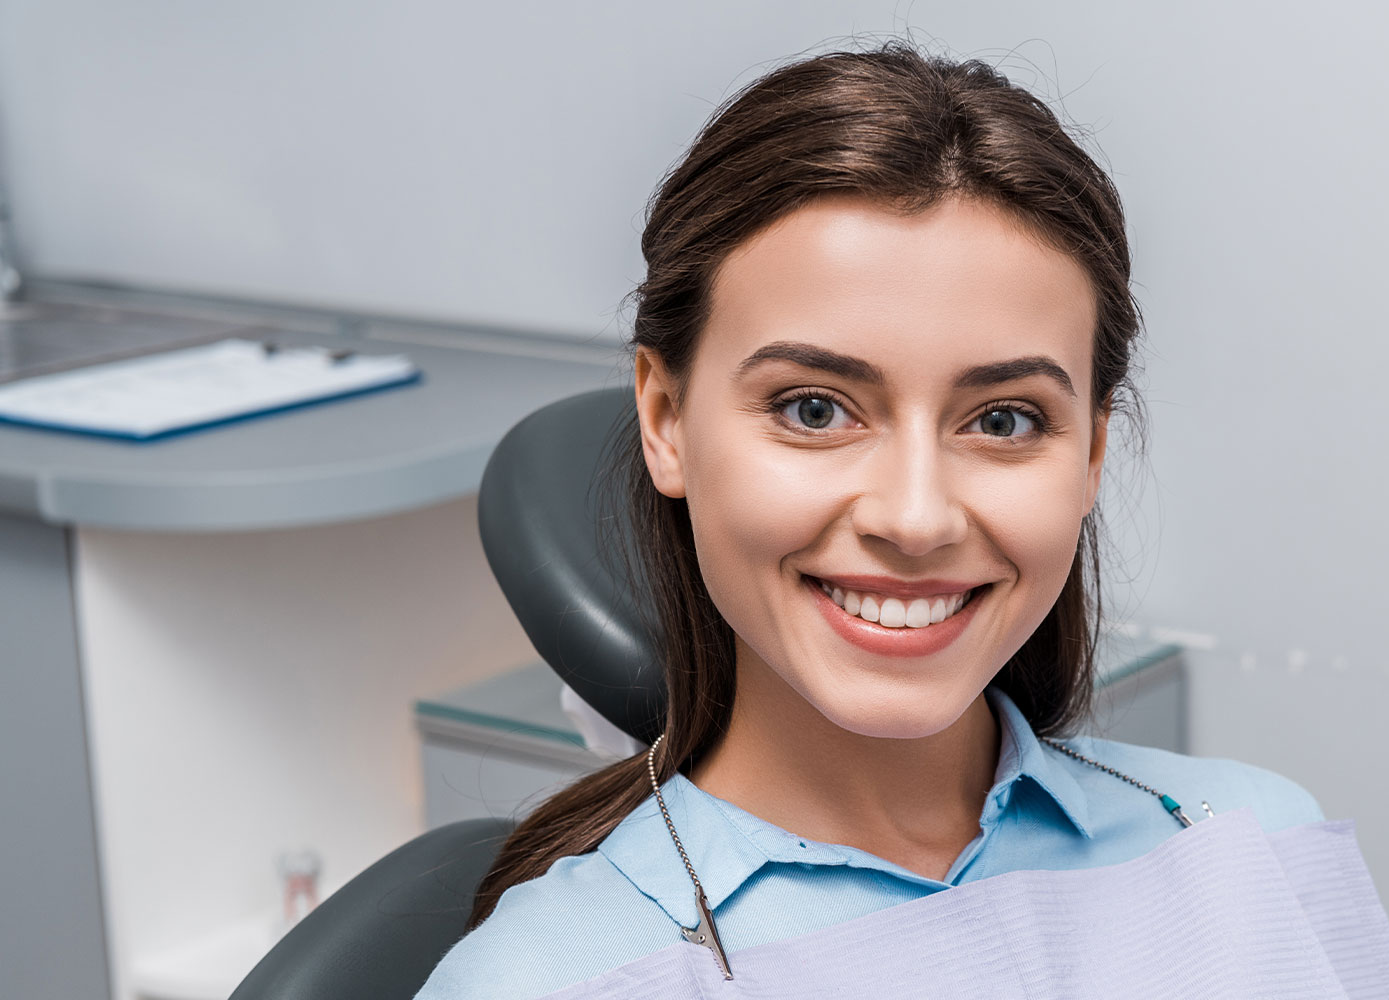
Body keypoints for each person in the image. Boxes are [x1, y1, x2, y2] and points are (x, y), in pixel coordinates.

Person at [415, 41, 1322, 999]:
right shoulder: (541, 980)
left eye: (1003, 420)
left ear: (1092, 453)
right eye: (814, 409)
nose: (916, 518)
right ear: (666, 418)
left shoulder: (1252, 845)